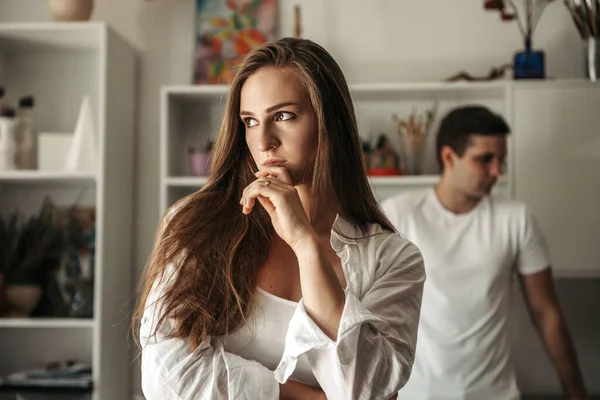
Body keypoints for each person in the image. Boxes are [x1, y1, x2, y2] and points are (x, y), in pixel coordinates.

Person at [133, 38, 425, 400]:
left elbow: (365, 387)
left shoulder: (392, 260)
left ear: (329, 122)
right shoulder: (194, 224)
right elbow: (167, 378)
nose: (264, 141)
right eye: (250, 121)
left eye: (284, 116)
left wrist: (306, 245)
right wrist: (307, 397)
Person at [382, 106, 588, 400]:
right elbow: (368, 307)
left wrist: (576, 392)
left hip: (494, 393)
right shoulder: (399, 214)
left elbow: (545, 312)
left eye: (500, 160)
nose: (497, 171)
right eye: (485, 160)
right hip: (417, 393)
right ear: (449, 157)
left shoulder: (516, 218)